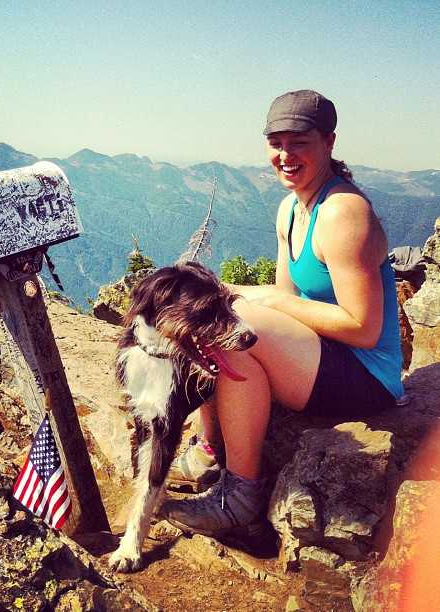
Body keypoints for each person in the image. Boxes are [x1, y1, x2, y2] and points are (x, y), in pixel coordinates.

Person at [161, 89, 404, 539]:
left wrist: (267, 303)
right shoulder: (291, 208)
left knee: (231, 331)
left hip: (367, 378)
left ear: (329, 142)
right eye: (276, 142)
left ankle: (240, 495)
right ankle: (210, 452)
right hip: (322, 355)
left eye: (300, 142)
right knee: (220, 321)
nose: (285, 154)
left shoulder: (343, 214)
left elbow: (365, 328)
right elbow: (286, 298)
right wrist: (242, 294)